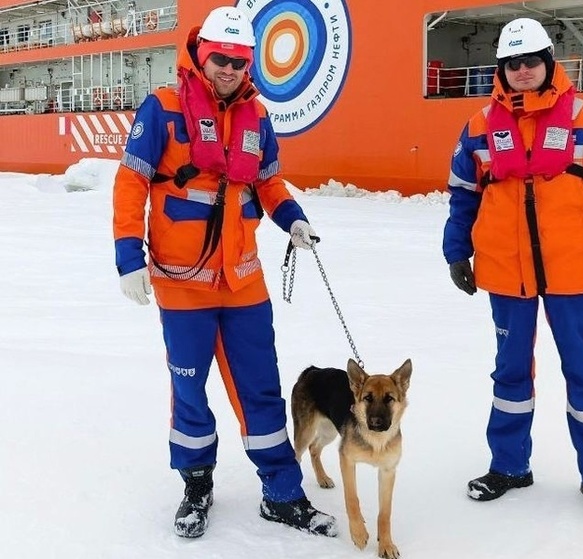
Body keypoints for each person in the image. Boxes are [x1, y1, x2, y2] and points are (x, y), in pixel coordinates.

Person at [112, 6, 337, 539]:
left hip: (243, 284)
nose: (229, 69)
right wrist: (127, 258)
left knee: (261, 390)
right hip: (181, 284)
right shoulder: (163, 110)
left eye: (239, 61)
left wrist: (294, 220)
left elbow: (270, 184)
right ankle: (196, 485)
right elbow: (130, 185)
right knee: (189, 391)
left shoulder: (257, 118)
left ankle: (282, 494)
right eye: (220, 59)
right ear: (200, 55)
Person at [442, 17, 583, 525]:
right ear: (501, 69)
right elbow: (462, 198)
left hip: (573, 274)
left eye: (531, 61)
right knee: (510, 374)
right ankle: (509, 467)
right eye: (512, 63)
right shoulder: (478, 127)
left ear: (548, 62)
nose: (522, 70)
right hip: (507, 274)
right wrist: (455, 252)